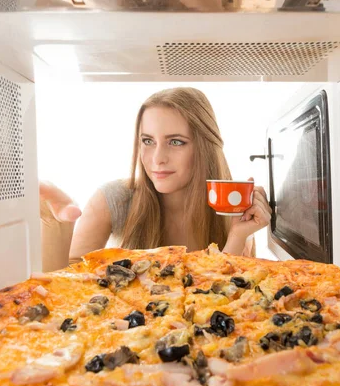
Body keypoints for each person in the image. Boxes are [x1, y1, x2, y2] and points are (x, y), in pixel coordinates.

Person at [40, 87, 271, 272]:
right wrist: (55, 224)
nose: (157, 159)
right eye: (148, 141)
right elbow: (68, 283)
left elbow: (226, 299)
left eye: (176, 142)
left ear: (205, 148)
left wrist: (238, 235)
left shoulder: (232, 209)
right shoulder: (113, 199)